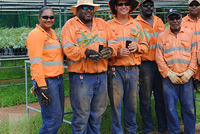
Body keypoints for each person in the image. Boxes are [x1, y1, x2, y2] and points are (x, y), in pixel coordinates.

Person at [61, 0, 118, 133]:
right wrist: (85, 52)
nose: (89, 10)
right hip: (81, 78)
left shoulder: (102, 24)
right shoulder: (70, 25)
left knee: (97, 113)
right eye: (85, 7)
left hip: (101, 76)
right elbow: (67, 48)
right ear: (77, 10)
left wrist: (110, 49)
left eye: (91, 8)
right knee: (81, 115)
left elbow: (114, 41)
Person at [107, 0, 148, 133]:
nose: (123, 6)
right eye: (120, 4)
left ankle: (131, 131)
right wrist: (116, 54)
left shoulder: (137, 25)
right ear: (115, 7)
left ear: (130, 7)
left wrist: (137, 46)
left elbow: (145, 46)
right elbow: (103, 50)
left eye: (126, 3)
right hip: (115, 71)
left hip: (133, 71)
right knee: (116, 105)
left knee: (131, 106)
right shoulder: (108, 26)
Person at [155, 8, 197, 134]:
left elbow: (194, 54)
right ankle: (174, 131)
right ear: (167, 20)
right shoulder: (162, 36)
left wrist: (190, 72)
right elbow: (159, 57)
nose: (174, 21)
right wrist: (169, 73)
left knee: (189, 108)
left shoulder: (190, 34)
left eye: (177, 18)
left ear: (181, 18)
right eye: (171, 18)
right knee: (170, 108)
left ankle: (190, 131)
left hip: (186, 77)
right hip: (169, 79)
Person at [26, 6, 65, 133]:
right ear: (39, 18)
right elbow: (36, 63)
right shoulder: (36, 35)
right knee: (52, 120)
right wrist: (42, 86)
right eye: (45, 17)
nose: (49, 19)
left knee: (57, 118)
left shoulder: (52, 33)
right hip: (48, 82)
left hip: (58, 80)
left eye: (51, 17)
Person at [135, 0, 167, 133]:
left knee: (161, 97)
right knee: (146, 99)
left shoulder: (159, 20)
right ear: (140, 7)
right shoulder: (135, 23)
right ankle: (148, 129)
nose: (149, 7)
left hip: (160, 64)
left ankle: (163, 127)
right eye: (145, 5)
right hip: (145, 65)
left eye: (151, 5)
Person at [181, 0, 200, 132]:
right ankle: (189, 126)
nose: (194, 7)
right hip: (188, 62)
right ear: (188, 7)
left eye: (196, 4)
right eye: (191, 5)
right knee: (187, 97)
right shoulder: (182, 21)